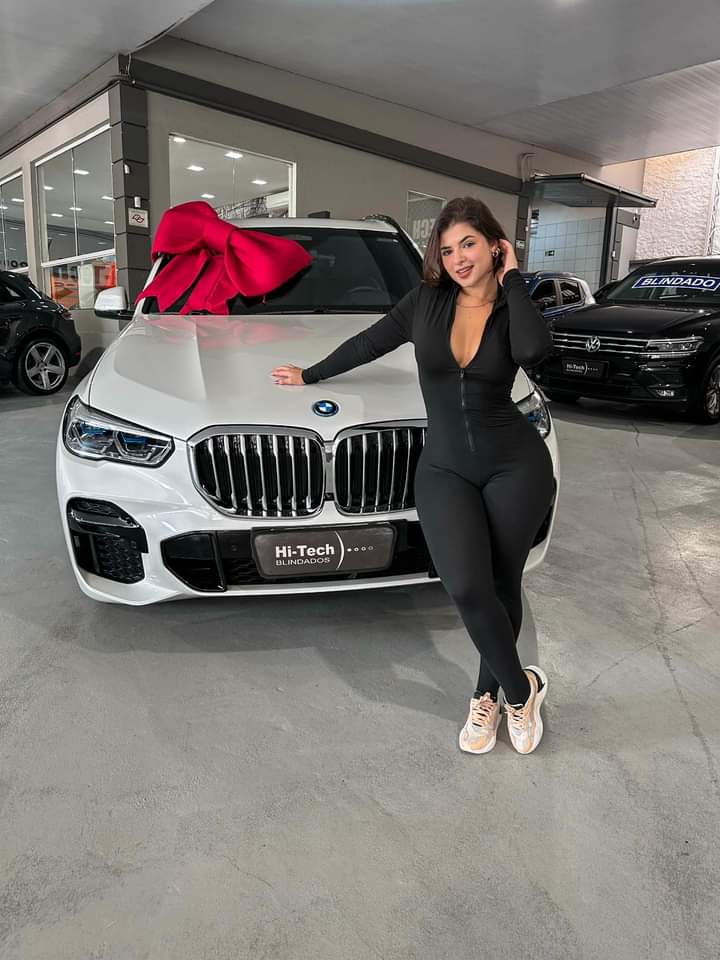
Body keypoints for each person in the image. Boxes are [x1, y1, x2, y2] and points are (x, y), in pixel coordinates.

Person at [271, 197, 554, 755]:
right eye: (447, 250)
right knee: (467, 586)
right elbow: (370, 342)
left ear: (494, 244)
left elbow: (533, 349)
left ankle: (486, 696)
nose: (458, 259)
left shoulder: (511, 305)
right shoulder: (426, 301)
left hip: (516, 466)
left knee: (502, 583)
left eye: (469, 244)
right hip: (445, 466)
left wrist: (514, 278)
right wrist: (311, 374)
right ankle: (524, 691)